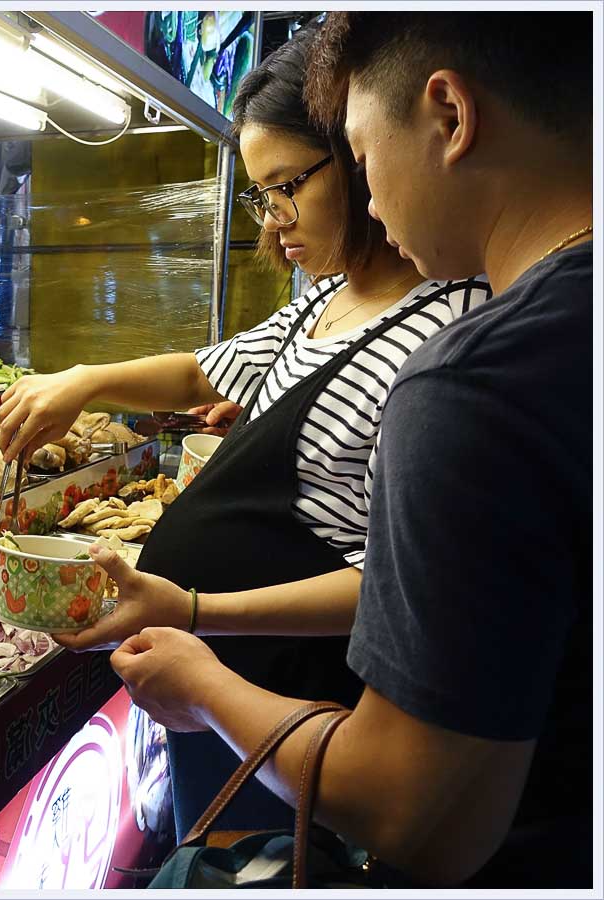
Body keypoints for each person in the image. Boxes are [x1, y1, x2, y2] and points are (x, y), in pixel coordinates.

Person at [102, 11, 591, 887]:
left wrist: (203, 681)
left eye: (361, 158)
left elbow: (412, 816)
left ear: (449, 114)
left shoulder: (477, 378)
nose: (369, 202)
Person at [0, 26, 490, 838]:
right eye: (260, 196)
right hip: (220, 683)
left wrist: (196, 609)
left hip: (297, 700)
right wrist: (84, 381)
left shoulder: (451, 335)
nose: (271, 223)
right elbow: (203, 372)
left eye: (284, 187)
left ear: (362, 151)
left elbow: (398, 585)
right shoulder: (325, 300)